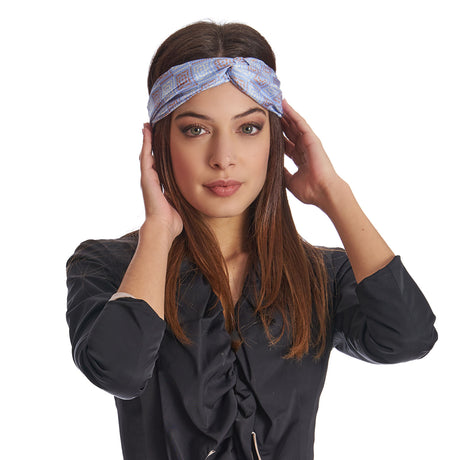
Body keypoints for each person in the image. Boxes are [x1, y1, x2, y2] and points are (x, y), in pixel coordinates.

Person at [65, 21, 438, 460]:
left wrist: (334, 194)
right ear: (158, 144)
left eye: (248, 128)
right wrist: (158, 231)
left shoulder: (320, 276)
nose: (223, 158)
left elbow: (408, 338)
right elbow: (119, 372)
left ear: (276, 140)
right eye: (196, 129)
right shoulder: (107, 265)